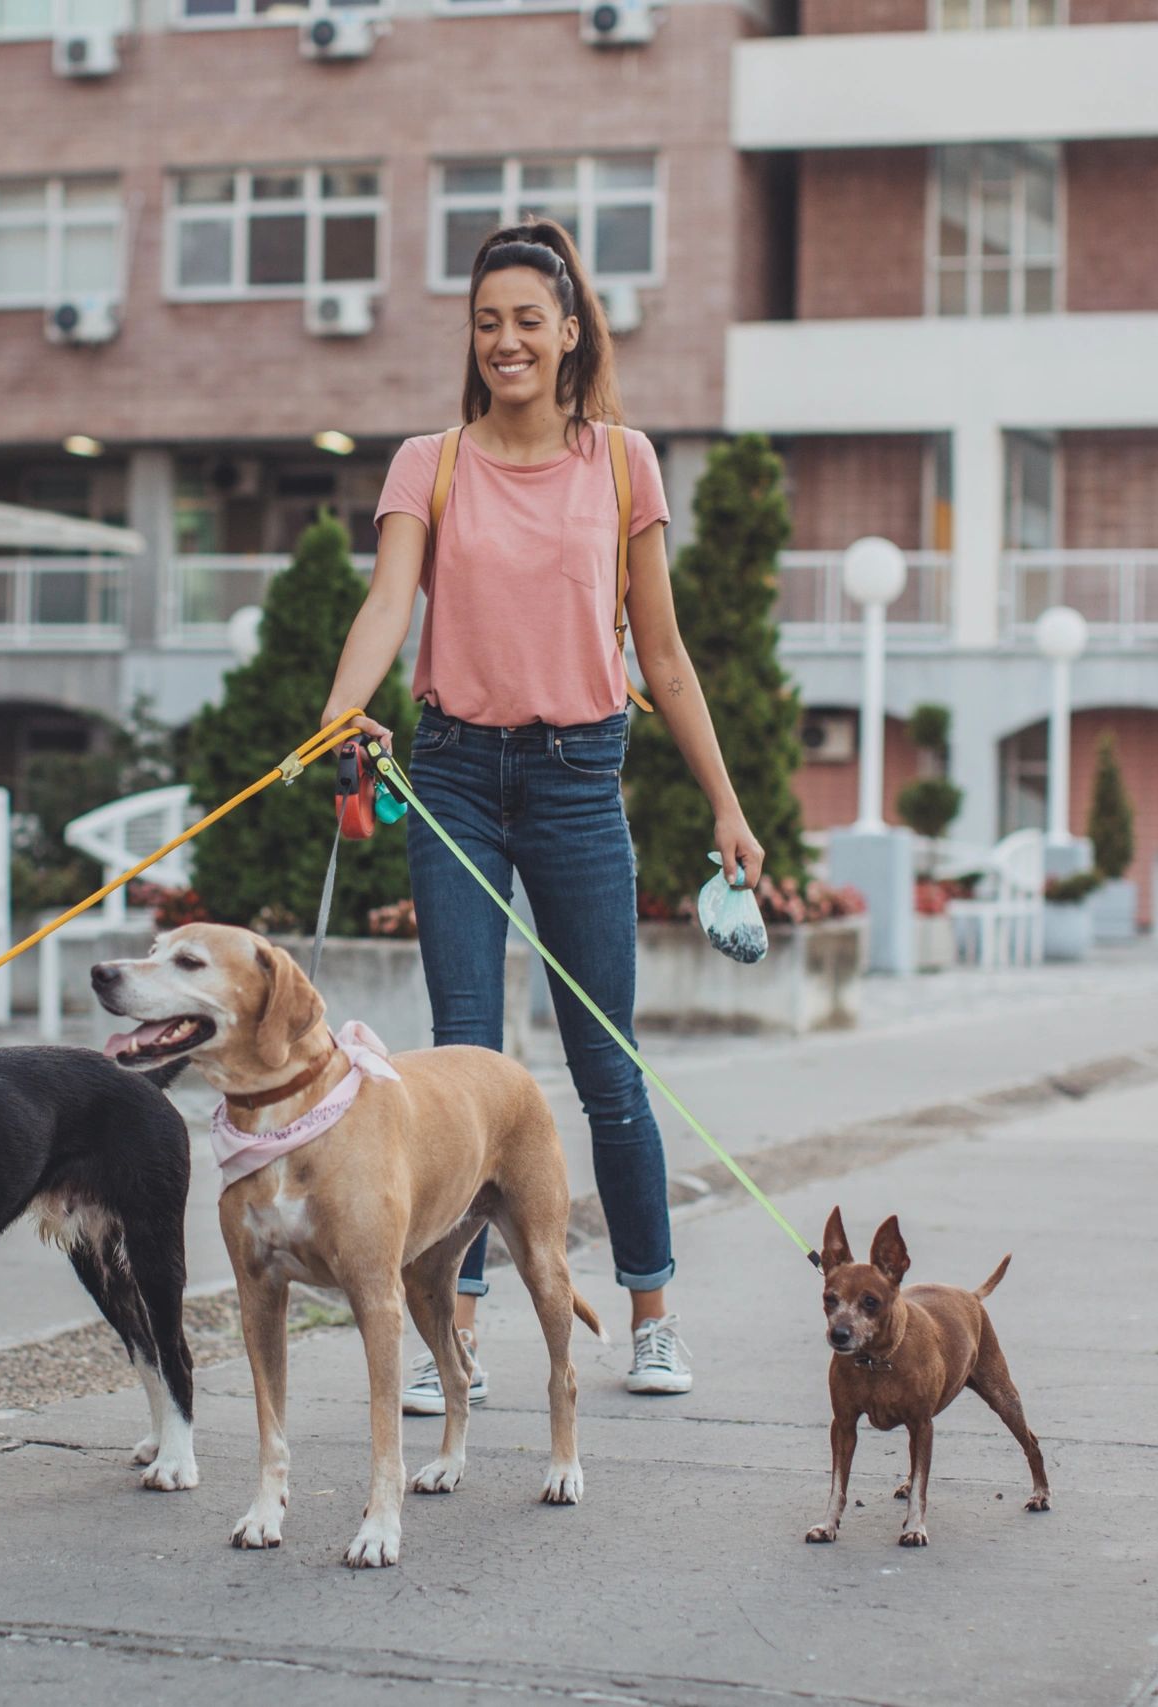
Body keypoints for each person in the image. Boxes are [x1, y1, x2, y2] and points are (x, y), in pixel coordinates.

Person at [317, 218, 764, 1410]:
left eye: (527, 321)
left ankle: (651, 1314)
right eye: (486, 323)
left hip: (577, 783)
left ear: (570, 334)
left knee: (605, 1062)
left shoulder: (622, 464)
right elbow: (386, 605)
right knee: (460, 1065)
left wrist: (725, 803)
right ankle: (447, 1334)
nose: (505, 341)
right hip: (452, 774)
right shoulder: (431, 461)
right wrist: (338, 712)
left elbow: (662, 656)